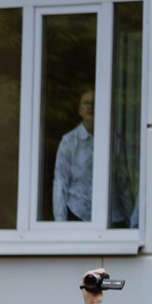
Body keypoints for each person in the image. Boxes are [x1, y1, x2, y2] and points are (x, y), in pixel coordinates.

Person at [52, 88, 96, 222]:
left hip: (111, 216)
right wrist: (60, 222)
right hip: (77, 212)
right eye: (85, 103)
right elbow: (60, 180)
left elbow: (122, 182)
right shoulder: (69, 141)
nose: (90, 107)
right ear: (80, 110)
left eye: (94, 103)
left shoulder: (114, 141)